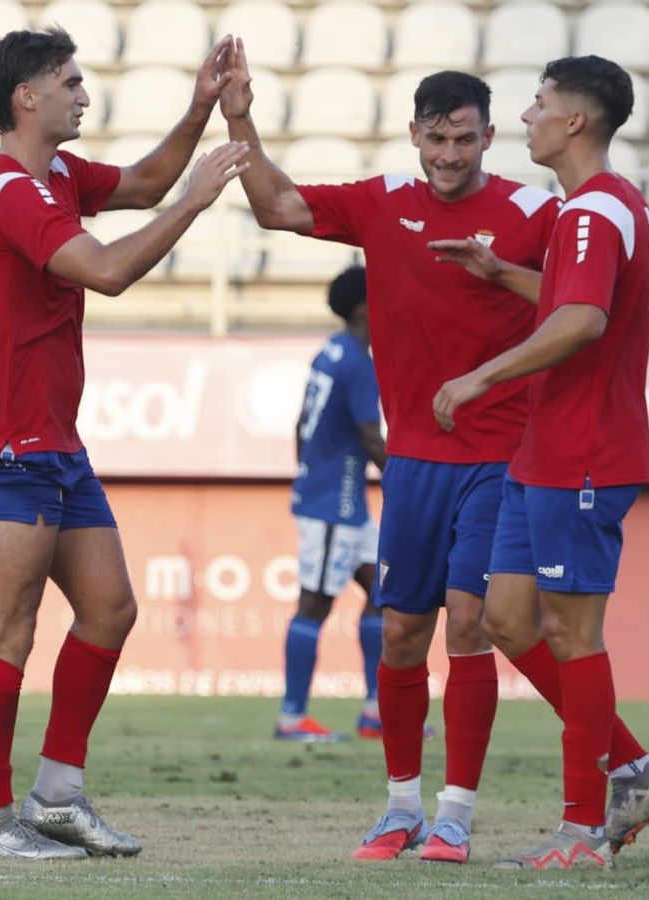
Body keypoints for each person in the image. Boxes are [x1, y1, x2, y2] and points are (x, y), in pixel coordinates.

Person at [220, 48, 561, 864]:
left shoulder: (535, 213)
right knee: (402, 630)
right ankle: (400, 808)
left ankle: (456, 815)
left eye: (465, 139)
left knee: (469, 624)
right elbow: (277, 207)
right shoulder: (383, 204)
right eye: (437, 138)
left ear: (489, 139)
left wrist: (503, 274)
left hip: (498, 459)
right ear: (413, 134)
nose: (450, 154)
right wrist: (238, 117)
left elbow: (584, 302)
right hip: (411, 464)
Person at [0, 27, 251, 860]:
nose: (84, 95)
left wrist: (200, 106)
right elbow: (109, 271)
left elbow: (146, 181)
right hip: (8, 443)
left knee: (111, 607)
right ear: (27, 97)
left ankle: (55, 798)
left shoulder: (58, 176)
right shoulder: (9, 192)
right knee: (6, 630)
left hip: (54, 442)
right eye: (71, 82)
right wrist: (194, 201)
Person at [434, 55, 649, 870]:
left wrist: (480, 376)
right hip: (542, 452)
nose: (527, 116)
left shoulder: (593, 211)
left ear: (574, 120)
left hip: (583, 453)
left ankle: (584, 834)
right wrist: (502, 271)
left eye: (538, 102)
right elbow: (574, 300)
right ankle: (634, 769)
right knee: (507, 619)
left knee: (574, 636)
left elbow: (582, 320)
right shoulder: (604, 207)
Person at [277, 265, 389, 743]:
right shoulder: (357, 363)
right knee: (315, 604)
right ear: (364, 308)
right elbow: (371, 437)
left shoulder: (331, 351)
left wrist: (309, 474)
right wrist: (409, 483)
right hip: (332, 505)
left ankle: (376, 713)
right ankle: (292, 717)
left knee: (384, 593)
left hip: (343, 501)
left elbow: (300, 425)